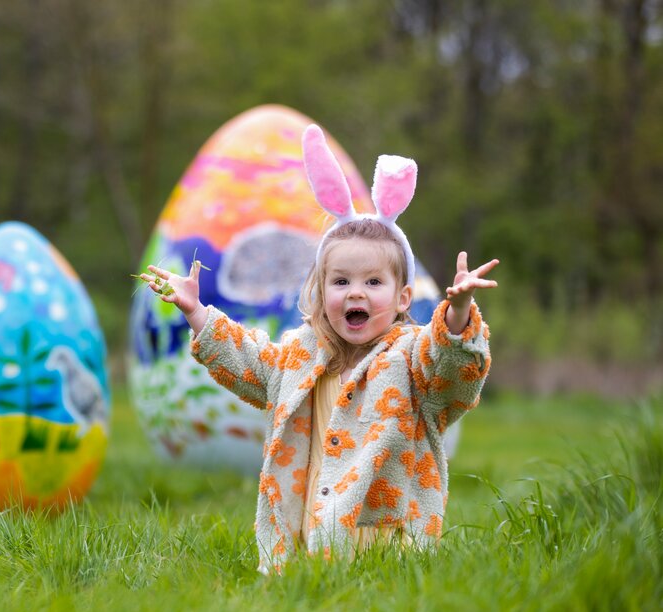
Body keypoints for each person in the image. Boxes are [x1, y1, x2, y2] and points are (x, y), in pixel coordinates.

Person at [138, 124, 499, 574]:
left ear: (403, 298)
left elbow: (451, 372)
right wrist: (197, 313)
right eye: (341, 281)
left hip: (387, 548)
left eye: (373, 282)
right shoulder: (301, 356)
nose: (355, 294)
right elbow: (248, 360)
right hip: (309, 549)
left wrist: (458, 314)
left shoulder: (411, 359)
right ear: (321, 288)